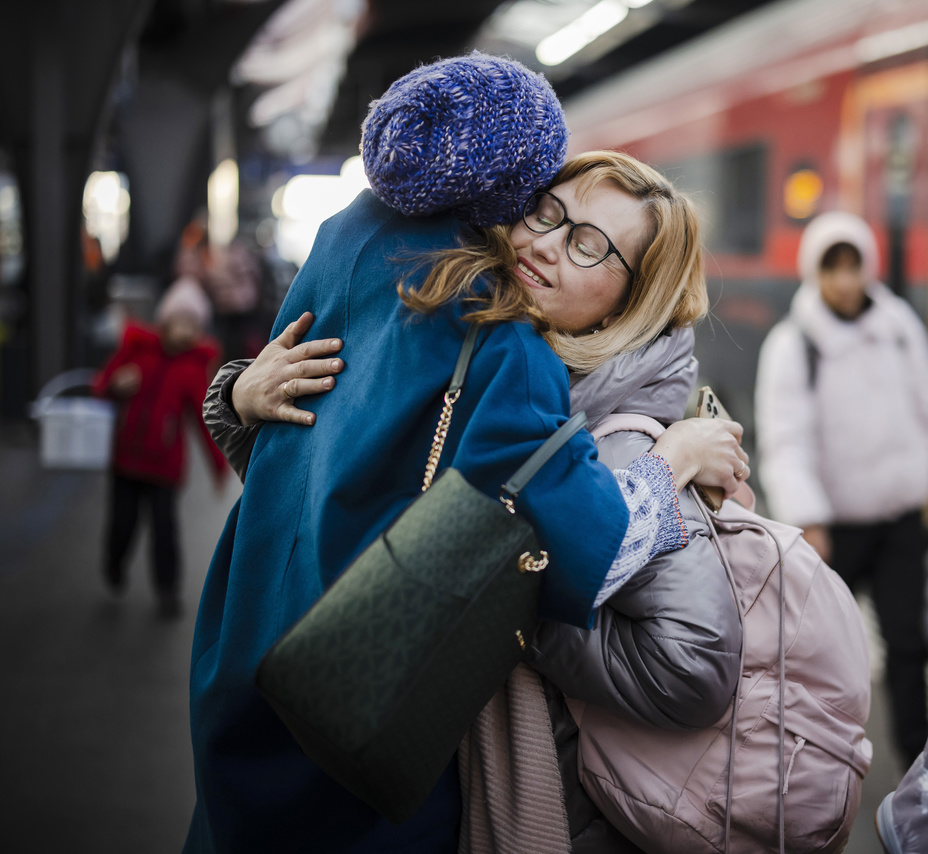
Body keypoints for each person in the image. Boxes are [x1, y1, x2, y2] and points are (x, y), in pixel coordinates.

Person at [185, 57, 747, 854]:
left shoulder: (348, 234)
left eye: (589, 245)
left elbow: (323, 447)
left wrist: (236, 394)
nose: (549, 246)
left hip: (239, 654)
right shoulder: (509, 351)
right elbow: (583, 550)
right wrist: (678, 455)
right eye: (549, 211)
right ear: (517, 183)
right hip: (352, 696)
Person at [753, 210, 928, 763]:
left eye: (852, 266)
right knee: (820, 652)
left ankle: (920, 768)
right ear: (814, 272)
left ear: (868, 268)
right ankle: (811, 765)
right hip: (834, 530)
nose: (843, 280)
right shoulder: (793, 345)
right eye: (830, 268)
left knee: (909, 647)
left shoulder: (898, 328)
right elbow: (786, 440)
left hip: (901, 523)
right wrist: (807, 517)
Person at [92, 276, 227, 617]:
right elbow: (101, 385)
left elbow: (204, 420)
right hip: (125, 458)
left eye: (194, 323)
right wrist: (116, 385)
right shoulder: (137, 349)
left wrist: (220, 466)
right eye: (181, 320)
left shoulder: (194, 368)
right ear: (165, 320)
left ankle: (167, 591)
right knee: (122, 523)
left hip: (165, 466)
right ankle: (114, 566)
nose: (186, 329)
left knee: (164, 531)